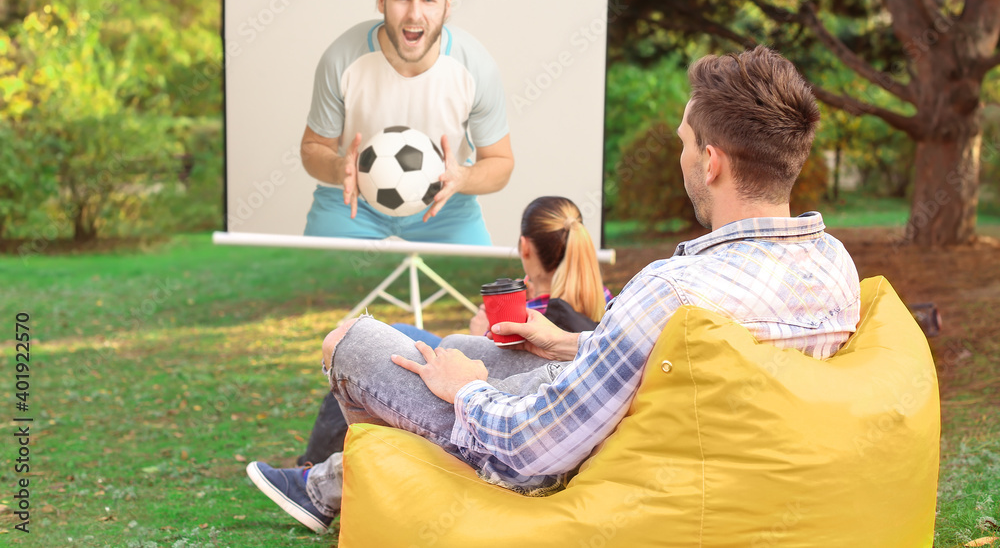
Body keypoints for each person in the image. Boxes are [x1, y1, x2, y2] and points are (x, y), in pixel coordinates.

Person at [246, 45, 862, 534]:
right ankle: (335, 487)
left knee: (349, 342)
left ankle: (356, 497)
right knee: (470, 342)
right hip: (655, 433)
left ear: (712, 162)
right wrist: (572, 345)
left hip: (558, 461)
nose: (680, 158)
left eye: (682, 144)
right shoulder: (836, 269)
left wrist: (468, 394)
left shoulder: (674, 287)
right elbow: (693, 364)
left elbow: (530, 448)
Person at [264, 196, 614, 481]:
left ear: (525, 247)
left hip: (502, 411)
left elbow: (510, 386)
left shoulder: (536, 309)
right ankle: (327, 476)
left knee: (379, 339)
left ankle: (319, 471)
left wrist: (483, 336)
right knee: (413, 338)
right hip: (537, 409)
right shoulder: (607, 302)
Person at [301, 0, 513, 245]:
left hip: (446, 204)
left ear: (448, 5)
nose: (415, 14)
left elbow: (501, 162)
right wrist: (340, 168)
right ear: (381, 0)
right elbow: (312, 147)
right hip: (350, 201)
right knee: (310, 288)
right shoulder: (341, 58)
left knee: (476, 290)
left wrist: (462, 178)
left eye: (428, 0)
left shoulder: (476, 67)